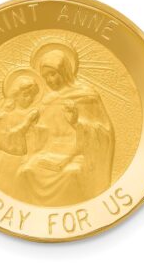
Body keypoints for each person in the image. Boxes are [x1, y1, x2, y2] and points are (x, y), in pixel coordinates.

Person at [17, 46, 115, 206]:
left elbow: (104, 133)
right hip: (51, 152)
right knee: (27, 170)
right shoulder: (47, 100)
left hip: (78, 153)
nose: (49, 80)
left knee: (71, 173)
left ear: (64, 71)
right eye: (45, 77)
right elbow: (45, 133)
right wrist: (33, 128)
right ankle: (36, 211)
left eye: (52, 74)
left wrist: (76, 122)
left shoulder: (86, 95)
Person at [0, 70, 41, 197]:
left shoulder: (30, 114)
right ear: (15, 95)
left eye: (32, 96)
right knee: (7, 193)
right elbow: (7, 140)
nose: (29, 99)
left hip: (25, 161)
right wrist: (27, 122)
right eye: (26, 95)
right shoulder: (3, 116)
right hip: (8, 162)